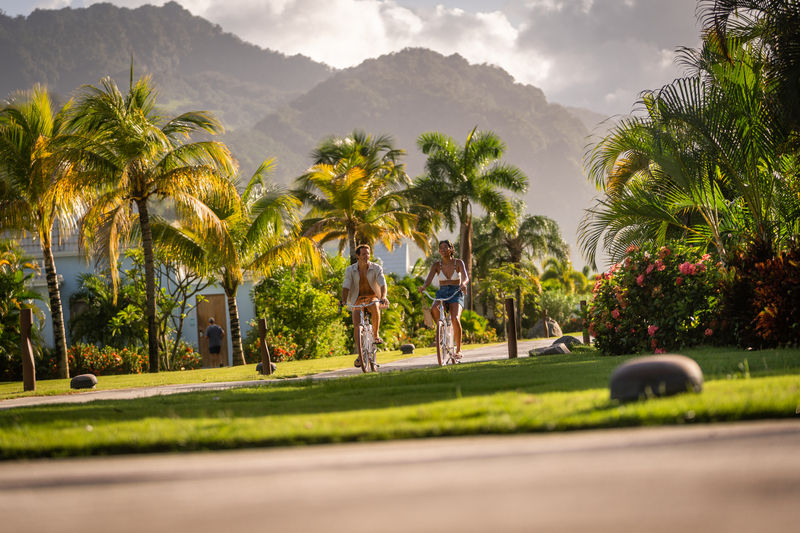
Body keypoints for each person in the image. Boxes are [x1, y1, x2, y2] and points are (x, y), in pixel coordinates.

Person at [418, 240, 469, 360]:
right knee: (434, 308)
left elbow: (466, 277)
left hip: (456, 292)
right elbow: (428, 280)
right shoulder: (436, 265)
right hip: (442, 292)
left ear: (451, 249)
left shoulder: (459, 263)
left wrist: (463, 284)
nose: (443, 249)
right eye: (441, 248)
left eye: (446, 247)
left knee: (455, 318)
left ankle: (459, 350)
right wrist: (423, 287)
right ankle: (440, 330)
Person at [341, 244, 389, 368]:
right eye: (363, 254)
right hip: (357, 299)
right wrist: (343, 300)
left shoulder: (376, 268)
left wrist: (383, 296)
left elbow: (382, 283)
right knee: (357, 325)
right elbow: (346, 286)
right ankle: (360, 354)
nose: (366, 256)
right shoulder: (350, 270)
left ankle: (376, 335)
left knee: (375, 307)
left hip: (372, 296)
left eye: (368, 253)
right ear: (357, 256)